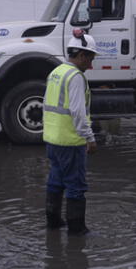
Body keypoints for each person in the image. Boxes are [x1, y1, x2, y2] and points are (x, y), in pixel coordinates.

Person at [43, 29, 99, 235]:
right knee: (76, 186)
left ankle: (54, 223)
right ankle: (77, 231)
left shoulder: (55, 72)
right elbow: (77, 111)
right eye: (90, 59)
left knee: (55, 181)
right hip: (70, 141)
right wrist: (90, 138)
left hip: (52, 139)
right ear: (82, 55)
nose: (91, 65)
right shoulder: (75, 77)